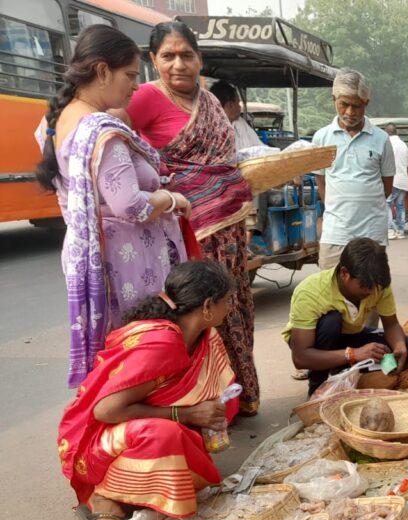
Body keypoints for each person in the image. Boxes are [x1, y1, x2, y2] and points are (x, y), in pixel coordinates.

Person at [34, 25, 189, 389]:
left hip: (89, 251)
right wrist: (171, 199)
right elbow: (130, 205)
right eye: (131, 75)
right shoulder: (102, 132)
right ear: (102, 71)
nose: (135, 87)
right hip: (124, 261)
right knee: (134, 351)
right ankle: (140, 431)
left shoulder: (54, 122)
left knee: (111, 351)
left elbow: (85, 199)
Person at [119, 21, 259, 415]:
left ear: (199, 59)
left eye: (186, 55)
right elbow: (112, 141)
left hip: (228, 230)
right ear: (152, 60)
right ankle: (202, 405)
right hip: (186, 233)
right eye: (168, 56)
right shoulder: (145, 97)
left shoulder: (212, 103)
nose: (178, 64)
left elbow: (223, 163)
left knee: (235, 310)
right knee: (199, 317)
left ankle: (238, 396)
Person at [58, 261, 238, 520]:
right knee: (164, 434)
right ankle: (106, 495)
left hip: (135, 424)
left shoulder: (204, 335)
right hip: (97, 437)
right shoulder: (163, 344)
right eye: (226, 301)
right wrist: (187, 414)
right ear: (207, 306)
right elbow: (106, 411)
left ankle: (146, 483)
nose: (230, 308)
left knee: (215, 412)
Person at [284, 237, 408, 395]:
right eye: (364, 286)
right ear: (344, 273)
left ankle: (342, 369)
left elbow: (391, 325)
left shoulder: (377, 285)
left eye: (375, 287)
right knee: (331, 321)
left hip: (350, 336)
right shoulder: (310, 292)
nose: (370, 292)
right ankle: (317, 385)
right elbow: (300, 358)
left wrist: (399, 345)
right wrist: (354, 354)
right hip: (315, 343)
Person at [312, 69, 395, 269]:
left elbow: (387, 187)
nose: (350, 112)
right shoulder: (321, 138)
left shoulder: (381, 139)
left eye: (356, 106)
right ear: (334, 100)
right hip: (335, 233)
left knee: (371, 291)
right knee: (329, 289)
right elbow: (321, 183)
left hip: (372, 234)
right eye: (344, 104)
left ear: (366, 103)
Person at [209, 79, 264, 151]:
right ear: (230, 105)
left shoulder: (241, 124)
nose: (240, 107)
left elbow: (260, 148)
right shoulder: (208, 131)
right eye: (238, 103)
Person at [383, 123, 408, 240]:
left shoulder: (387, 144)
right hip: (403, 179)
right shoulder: (404, 145)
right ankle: (400, 230)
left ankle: (390, 230)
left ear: (386, 133)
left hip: (392, 179)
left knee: (386, 204)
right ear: (396, 132)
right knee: (400, 206)